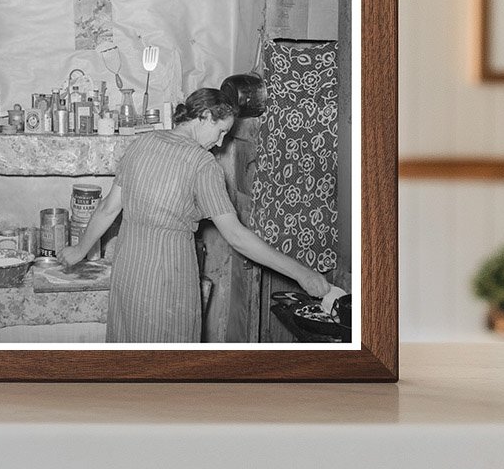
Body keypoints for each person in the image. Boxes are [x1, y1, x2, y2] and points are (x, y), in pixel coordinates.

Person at [58, 87, 334, 343]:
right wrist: (300, 273)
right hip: (166, 278)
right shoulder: (202, 165)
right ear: (203, 117)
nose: (220, 143)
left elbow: (108, 208)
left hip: (129, 271)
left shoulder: (140, 144)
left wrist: (80, 250)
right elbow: (237, 237)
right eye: (221, 131)